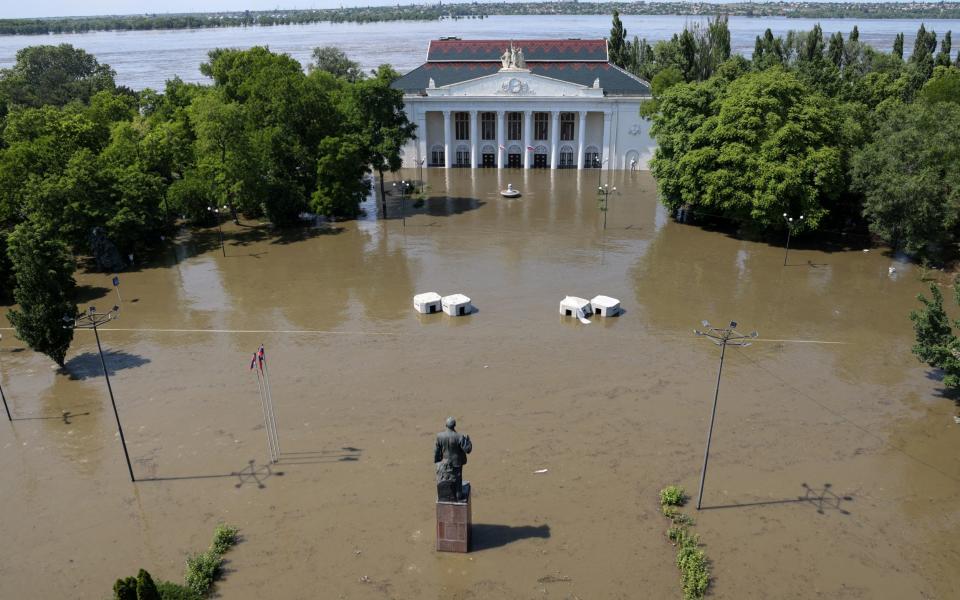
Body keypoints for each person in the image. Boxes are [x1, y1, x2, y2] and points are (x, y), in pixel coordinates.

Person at [434, 417, 472, 501]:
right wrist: (469, 442)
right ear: (454, 425)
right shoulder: (459, 436)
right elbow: (467, 450)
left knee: (445, 477)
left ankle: (445, 495)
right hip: (457, 462)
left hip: (444, 461)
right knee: (458, 479)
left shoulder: (439, 436)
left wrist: (437, 461)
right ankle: (458, 496)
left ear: (446, 425)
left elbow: (436, 450)